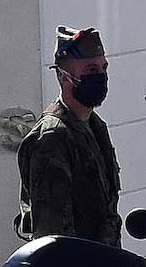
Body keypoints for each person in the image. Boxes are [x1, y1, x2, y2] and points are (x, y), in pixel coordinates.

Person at [15, 25, 122, 246]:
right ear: (65, 77)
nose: (101, 76)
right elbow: (53, 235)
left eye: (104, 68)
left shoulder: (95, 127)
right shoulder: (52, 137)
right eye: (91, 70)